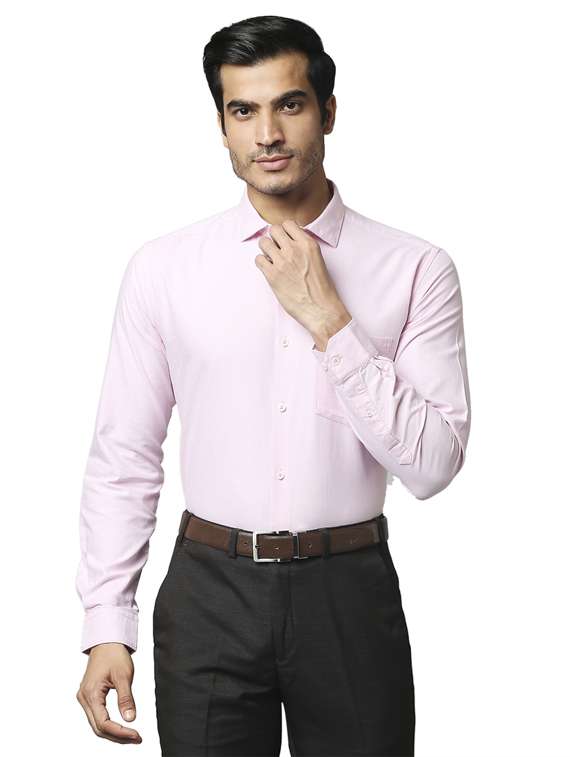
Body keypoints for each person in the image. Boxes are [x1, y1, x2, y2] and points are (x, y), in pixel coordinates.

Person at [75, 14, 471, 757]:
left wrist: (330, 320)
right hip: (207, 593)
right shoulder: (164, 270)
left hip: (349, 591)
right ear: (221, 125)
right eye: (242, 110)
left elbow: (433, 465)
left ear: (328, 111)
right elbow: (124, 455)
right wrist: (106, 625)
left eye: (289, 104)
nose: (267, 134)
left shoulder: (416, 269)